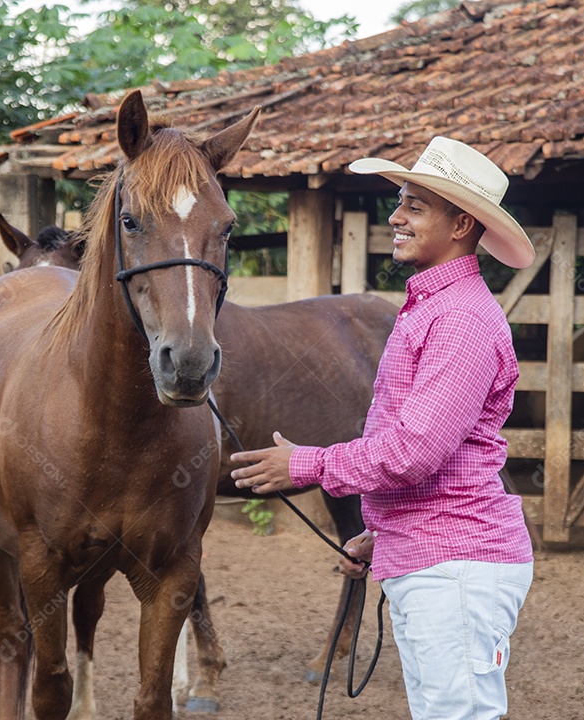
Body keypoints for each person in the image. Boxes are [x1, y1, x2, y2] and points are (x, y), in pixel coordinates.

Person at [230, 136, 535, 720]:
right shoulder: (433, 309)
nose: (396, 216)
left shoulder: (461, 320)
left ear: (461, 225)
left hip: (456, 568)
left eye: (415, 206)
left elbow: (412, 453)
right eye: (400, 202)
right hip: (438, 560)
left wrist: (306, 463)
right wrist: (386, 537)